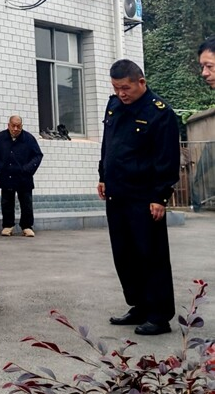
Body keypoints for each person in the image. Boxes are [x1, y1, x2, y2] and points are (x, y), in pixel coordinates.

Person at [98, 59, 180, 336]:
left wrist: (160, 196)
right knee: (125, 255)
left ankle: (159, 315)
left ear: (141, 82)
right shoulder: (114, 105)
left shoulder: (160, 113)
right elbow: (108, 144)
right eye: (116, 87)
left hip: (144, 198)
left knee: (151, 255)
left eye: (125, 88)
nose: (121, 93)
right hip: (117, 193)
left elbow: (167, 158)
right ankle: (139, 306)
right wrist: (102, 176)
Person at [0, 115, 44, 237]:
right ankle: (8, 226)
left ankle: (27, 226)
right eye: (13, 126)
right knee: (7, 202)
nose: (15, 129)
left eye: (18, 126)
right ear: (8, 125)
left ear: (22, 126)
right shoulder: (0, 137)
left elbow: (38, 155)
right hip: (6, 175)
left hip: (24, 176)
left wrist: (27, 169)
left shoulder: (29, 138)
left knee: (26, 203)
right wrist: (0, 167)